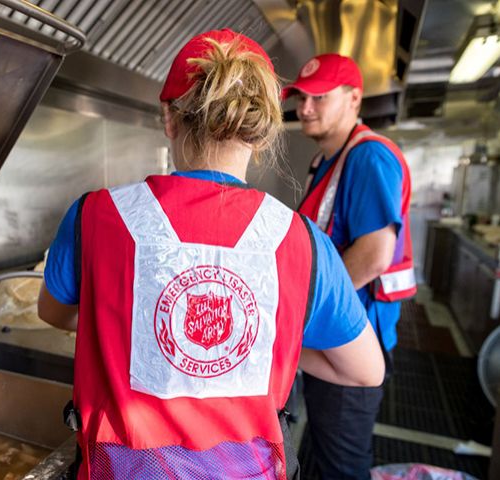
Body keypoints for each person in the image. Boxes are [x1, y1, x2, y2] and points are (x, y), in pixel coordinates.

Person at [38, 30, 384, 480]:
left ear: (168, 117)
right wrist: (265, 340)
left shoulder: (96, 215)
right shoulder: (301, 240)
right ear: (261, 135)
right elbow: (365, 371)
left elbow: (55, 312)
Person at [283, 53, 416, 479]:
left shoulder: (368, 158)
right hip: (332, 339)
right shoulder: (327, 162)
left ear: (354, 98)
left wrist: (304, 316)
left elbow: (375, 253)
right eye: (302, 97)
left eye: (319, 97)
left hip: (353, 340)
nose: (305, 108)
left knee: (342, 464)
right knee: (322, 450)